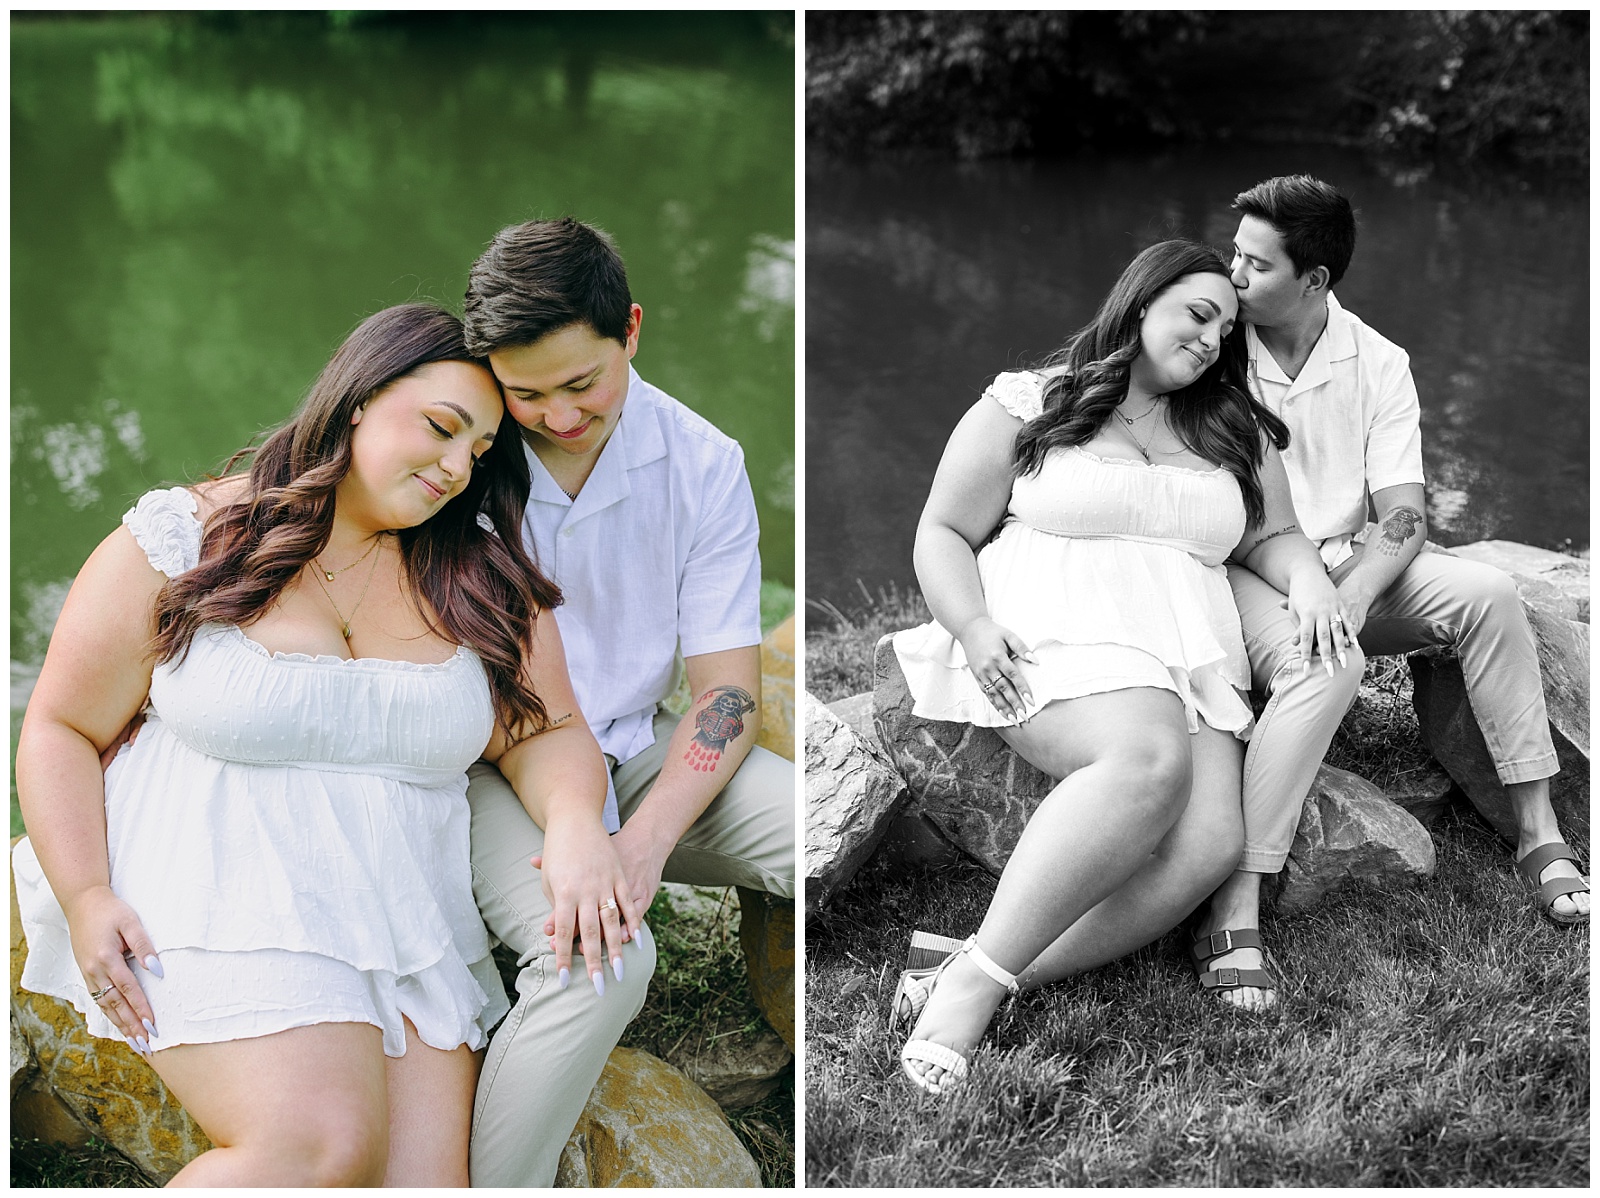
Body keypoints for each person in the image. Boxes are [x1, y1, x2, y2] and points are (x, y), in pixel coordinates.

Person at [11, 304, 640, 1186]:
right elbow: (59, 725)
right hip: (216, 888)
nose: (459, 468)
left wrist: (574, 821)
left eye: (481, 450)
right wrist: (84, 895)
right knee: (321, 1149)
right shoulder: (186, 537)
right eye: (440, 428)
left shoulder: (475, 572)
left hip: (399, 916)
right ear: (357, 398)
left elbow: (551, 730)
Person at [888, 240, 1352, 1095]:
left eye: (1229, 327)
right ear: (1141, 304)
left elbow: (1273, 537)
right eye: (1197, 314)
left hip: (1186, 649)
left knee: (1211, 844)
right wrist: (974, 625)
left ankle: (972, 963)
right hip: (1053, 635)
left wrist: (1311, 583)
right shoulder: (1032, 398)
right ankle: (971, 998)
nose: (1214, 339)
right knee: (1147, 759)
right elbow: (942, 531)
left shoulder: (1232, 428)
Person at [456, 218, 796, 1185]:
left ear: (632, 331)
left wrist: (640, 847)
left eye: (581, 385)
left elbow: (726, 692)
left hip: (638, 747)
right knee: (602, 962)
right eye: (526, 393)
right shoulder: (464, 459)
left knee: (819, 830)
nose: (558, 416)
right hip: (492, 767)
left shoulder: (703, 462)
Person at [1199, 174, 1589, 1012]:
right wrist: (1312, 594)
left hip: (1354, 566)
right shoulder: (1209, 347)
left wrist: (1352, 591)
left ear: (1315, 281)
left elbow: (1404, 513)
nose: (1232, 275)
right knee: (1322, 657)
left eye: (1254, 265)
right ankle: (1238, 898)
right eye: (1235, 254)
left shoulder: (1378, 361)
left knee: (1486, 592)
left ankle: (1538, 831)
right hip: (1242, 572)